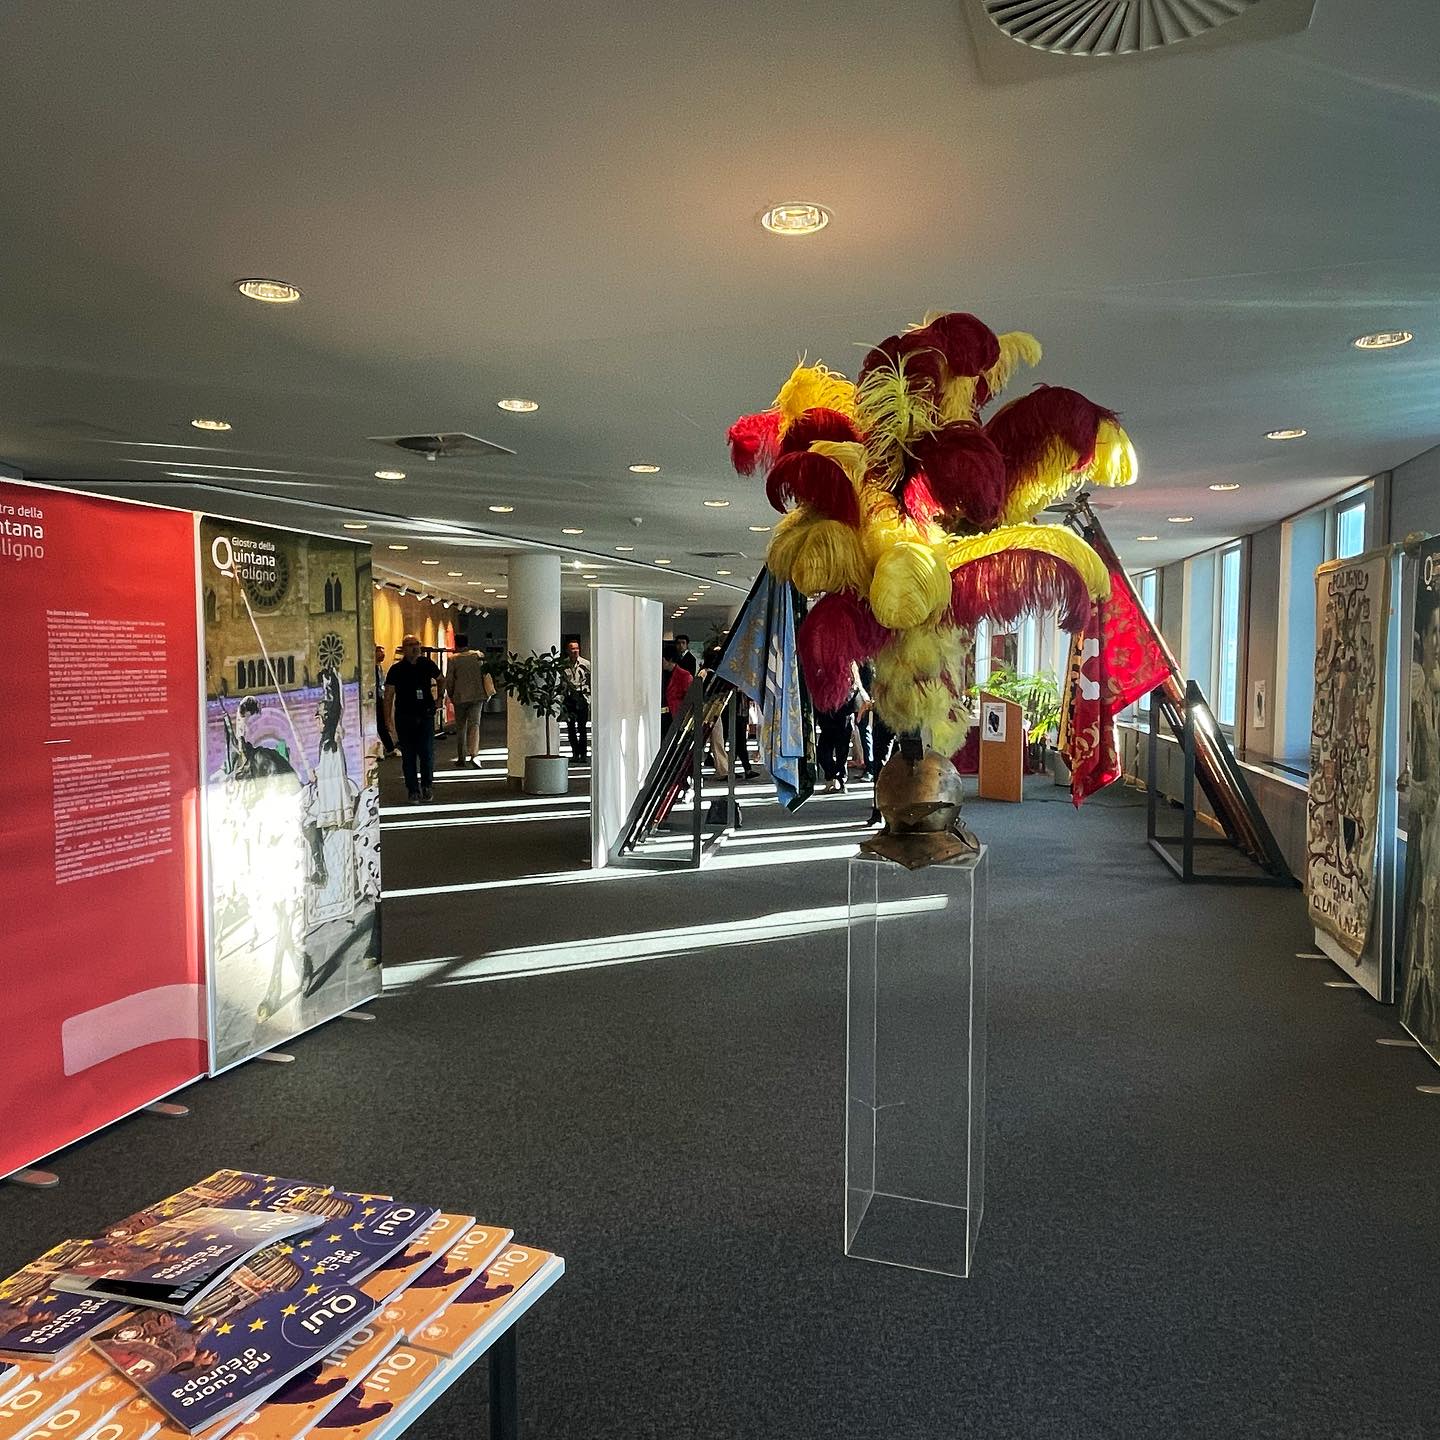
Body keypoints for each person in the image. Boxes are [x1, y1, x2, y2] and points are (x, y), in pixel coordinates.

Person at [384, 633, 443, 803]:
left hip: (425, 714)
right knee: (408, 755)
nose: (415, 647)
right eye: (410, 644)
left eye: (417, 643)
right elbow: (389, 695)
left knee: (426, 753)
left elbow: (441, 679)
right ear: (403, 649)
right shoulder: (396, 670)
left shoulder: (427, 664)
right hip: (405, 716)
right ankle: (413, 790)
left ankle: (426, 786)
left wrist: (440, 698)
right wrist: (387, 719)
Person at [445, 633, 493, 767]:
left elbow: (449, 680)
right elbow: (486, 674)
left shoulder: (453, 659)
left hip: (460, 697)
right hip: (477, 696)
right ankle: (474, 754)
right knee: (475, 725)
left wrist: (451, 694)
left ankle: (461, 757)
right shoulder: (478, 656)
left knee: (461, 727)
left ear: (456, 643)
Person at [816, 662, 864, 792]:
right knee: (822, 753)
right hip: (827, 718)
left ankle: (839, 780)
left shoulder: (850, 672)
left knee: (841, 754)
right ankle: (834, 777)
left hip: (843, 718)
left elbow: (854, 692)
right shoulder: (823, 671)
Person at [561, 639, 592, 762]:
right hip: (569, 698)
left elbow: (591, 680)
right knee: (571, 728)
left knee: (582, 728)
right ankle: (575, 754)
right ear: (568, 651)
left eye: (577, 648)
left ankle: (583, 755)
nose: (575, 651)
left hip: (582, 697)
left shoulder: (585, 664)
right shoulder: (563, 665)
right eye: (572, 649)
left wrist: (589, 697)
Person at [374, 645, 397, 758]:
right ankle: (389, 747)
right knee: (381, 724)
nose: (382, 655)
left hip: (380, 697)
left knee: (381, 724)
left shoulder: (379, 667)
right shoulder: (373, 668)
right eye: (379, 652)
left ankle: (388, 747)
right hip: (375, 699)